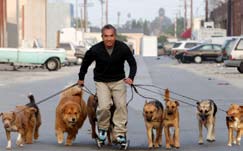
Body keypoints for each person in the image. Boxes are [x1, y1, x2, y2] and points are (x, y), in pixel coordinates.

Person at [77, 24, 137, 144]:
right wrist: (81, 78)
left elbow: (132, 63)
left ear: (115, 36)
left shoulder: (123, 48)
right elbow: (85, 63)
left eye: (111, 36)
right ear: (102, 37)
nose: (109, 39)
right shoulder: (95, 49)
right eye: (106, 36)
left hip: (118, 81)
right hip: (102, 82)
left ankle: (119, 133)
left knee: (121, 106)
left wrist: (131, 77)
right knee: (104, 106)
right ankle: (103, 129)